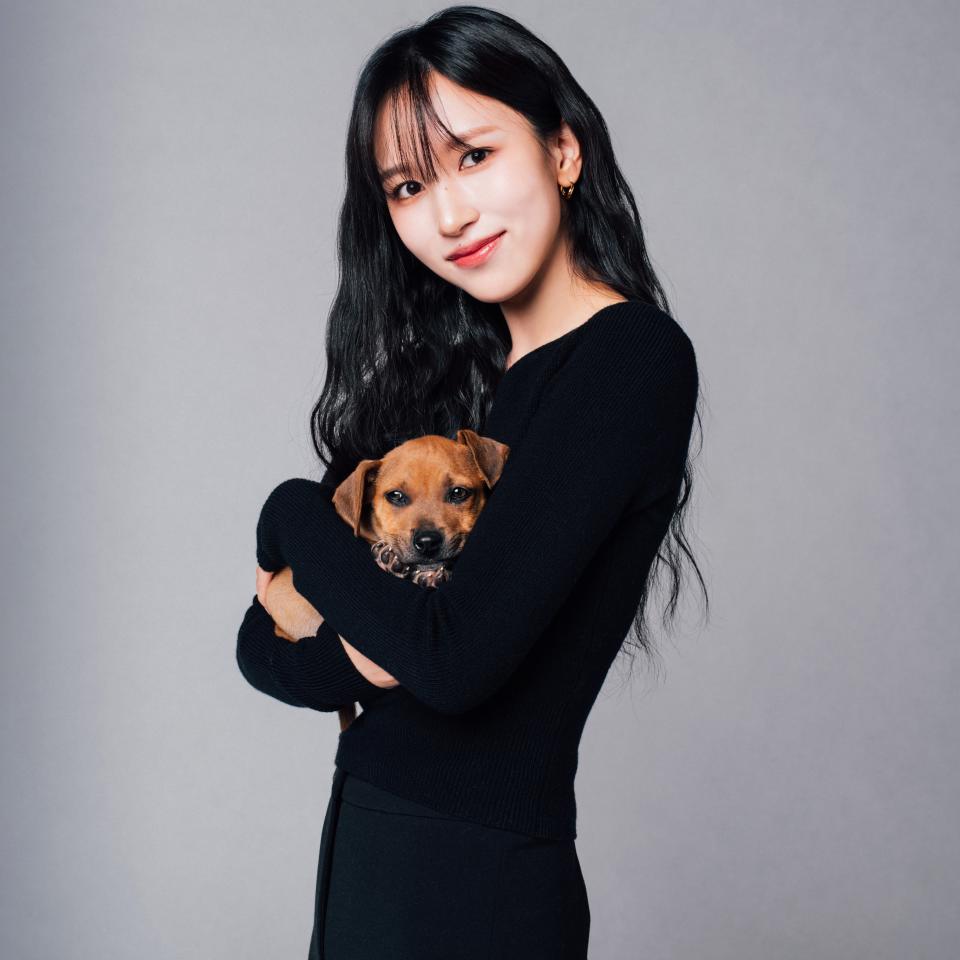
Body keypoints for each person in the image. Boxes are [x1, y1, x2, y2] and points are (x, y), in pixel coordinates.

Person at [236, 6, 708, 958]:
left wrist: (290, 510)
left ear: (563, 151)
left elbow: (449, 664)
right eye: (408, 186)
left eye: (475, 158)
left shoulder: (628, 361)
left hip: (475, 880)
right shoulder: (441, 386)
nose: (447, 213)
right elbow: (257, 645)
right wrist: (365, 655)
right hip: (367, 840)